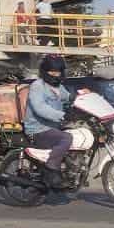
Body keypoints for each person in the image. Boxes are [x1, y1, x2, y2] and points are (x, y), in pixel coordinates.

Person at [24, 54, 74, 182]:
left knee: (76, 132)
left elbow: (68, 97)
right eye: (52, 71)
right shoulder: (37, 86)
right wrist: (62, 115)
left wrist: (82, 98)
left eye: (58, 71)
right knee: (66, 138)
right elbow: (40, 108)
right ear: (45, 71)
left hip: (52, 127)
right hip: (38, 130)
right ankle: (51, 168)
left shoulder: (58, 87)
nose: (55, 74)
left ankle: (70, 169)